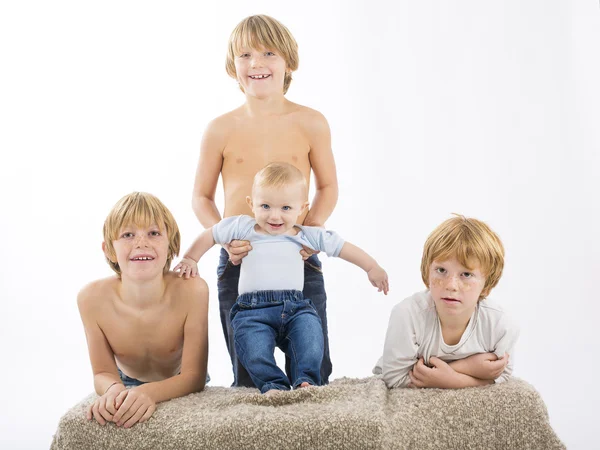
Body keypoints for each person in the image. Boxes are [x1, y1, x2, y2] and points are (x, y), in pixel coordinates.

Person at [192, 14, 339, 387]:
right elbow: (201, 197)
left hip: (297, 253)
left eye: (268, 53)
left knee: (313, 363)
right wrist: (226, 239)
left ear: (288, 62)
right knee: (249, 369)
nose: (256, 63)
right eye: (245, 55)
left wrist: (311, 232)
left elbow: (327, 188)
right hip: (240, 257)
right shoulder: (220, 128)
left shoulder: (311, 122)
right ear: (232, 66)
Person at [179, 162, 388, 394]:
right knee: (252, 348)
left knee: (311, 338)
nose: (275, 216)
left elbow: (341, 247)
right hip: (252, 311)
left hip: (296, 307)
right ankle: (273, 385)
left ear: (302, 208)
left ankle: (305, 380)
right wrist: (191, 258)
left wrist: (372, 267)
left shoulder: (306, 235)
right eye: (265, 206)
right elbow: (211, 235)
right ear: (251, 204)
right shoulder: (242, 227)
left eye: (286, 208)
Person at [77, 192, 209, 428]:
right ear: (109, 250)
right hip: (126, 381)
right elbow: (102, 373)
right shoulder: (91, 299)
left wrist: (150, 392)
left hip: (179, 381)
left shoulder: (193, 290)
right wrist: (114, 390)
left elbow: (194, 377)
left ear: (172, 244)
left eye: (154, 233)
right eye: (128, 234)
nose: (141, 242)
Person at [373, 215, 519, 389]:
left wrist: (452, 377)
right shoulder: (407, 315)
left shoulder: (500, 325)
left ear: (486, 284)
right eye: (441, 270)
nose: (451, 285)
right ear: (427, 272)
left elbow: (503, 375)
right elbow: (395, 378)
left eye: (466, 274)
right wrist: (468, 370)